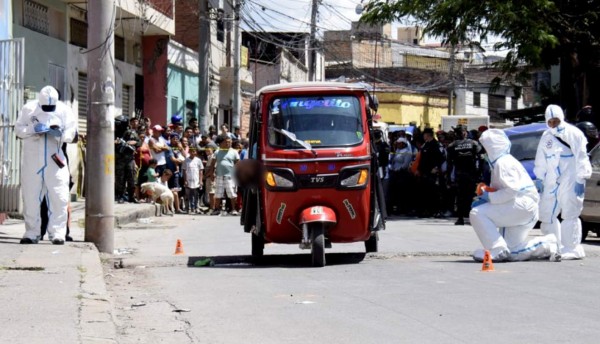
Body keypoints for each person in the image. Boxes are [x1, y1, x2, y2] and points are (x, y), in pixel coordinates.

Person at [470, 129, 558, 261]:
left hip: (521, 205)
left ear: (491, 148)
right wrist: (487, 195)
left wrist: (488, 197)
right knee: (512, 252)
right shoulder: (503, 161)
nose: (483, 153)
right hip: (523, 208)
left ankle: (496, 249)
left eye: (485, 148)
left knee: (477, 213)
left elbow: (511, 191)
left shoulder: (503, 163)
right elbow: (504, 189)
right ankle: (547, 244)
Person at [15, 86, 77, 244]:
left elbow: (71, 134)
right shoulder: (28, 109)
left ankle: (58, 233)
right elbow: (19, 130)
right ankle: (31, 233)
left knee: (59, 196)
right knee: (31, 198)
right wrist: (32, 129)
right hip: (32, 161)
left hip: (55, 160)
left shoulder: (64, 110)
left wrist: (58, 133)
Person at [534, 105, 592, 260]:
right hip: (551, 181)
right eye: (550, 121)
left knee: (570, 213)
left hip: (570, 179)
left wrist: (581, 178)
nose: (553, 124)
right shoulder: (546, 136)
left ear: (561, 118)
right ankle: (554, 246)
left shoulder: (573, 133)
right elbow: (541, 158)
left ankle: (572, 248)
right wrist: (540, 178)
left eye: (556, 121)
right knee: (547, 214)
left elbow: (582, 157)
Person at [446, 125, 482, 225]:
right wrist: (480, 173)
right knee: (471, 196)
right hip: (471, 174)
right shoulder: (474, 143)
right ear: (465, 133)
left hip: (460, 175)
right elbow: (481, 158)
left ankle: (460, 218)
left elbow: (449, 164)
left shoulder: (452, 146)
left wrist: (448, 178)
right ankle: (472, 218)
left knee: (460, 197)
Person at [211, 135, 240, 215]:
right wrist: (212, 174)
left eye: (230, 142)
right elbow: (213, 163)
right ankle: (216, 209)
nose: (228, 143)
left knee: (231, 193)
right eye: (227, 142)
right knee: (218, 193)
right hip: (219, 175)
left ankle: (233, 209)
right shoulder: (217, 151)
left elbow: (238, 163)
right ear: (222, 143)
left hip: (230, 176)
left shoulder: (234, 152)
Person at [182, 148, 204, 214]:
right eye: (191, 151)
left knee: (196, 195)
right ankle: (188, 208)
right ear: (189, 152)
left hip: (196, 180)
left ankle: (196, 208)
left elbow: (201, 171)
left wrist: (200, 180)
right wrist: (185, 180)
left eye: (194, 151)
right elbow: (184, 171)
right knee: (188, 195)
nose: (193, 153)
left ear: (196, 152)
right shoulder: (186, 160)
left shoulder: (198, 160)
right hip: (188, 180)